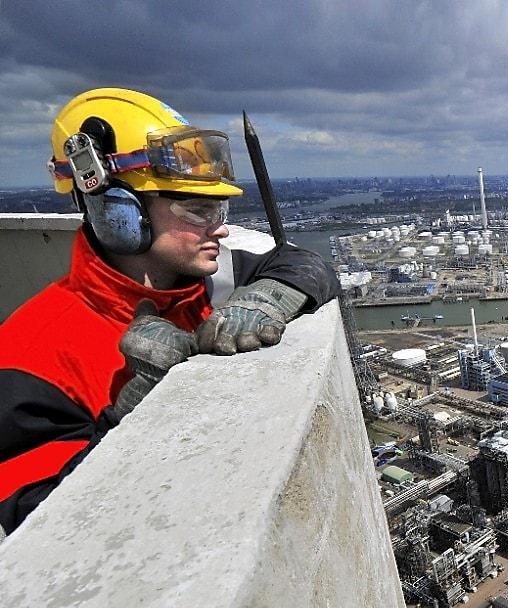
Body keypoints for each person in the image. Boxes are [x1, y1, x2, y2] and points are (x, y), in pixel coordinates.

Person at [0, 88, 340, 534]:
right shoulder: (28, 356)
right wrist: (129, 419)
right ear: (118, 212)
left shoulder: (215, 281)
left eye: (218, 208)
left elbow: (308, 266)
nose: (219, 226)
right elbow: (30, 519)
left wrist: (271, 296)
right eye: (196, 210)